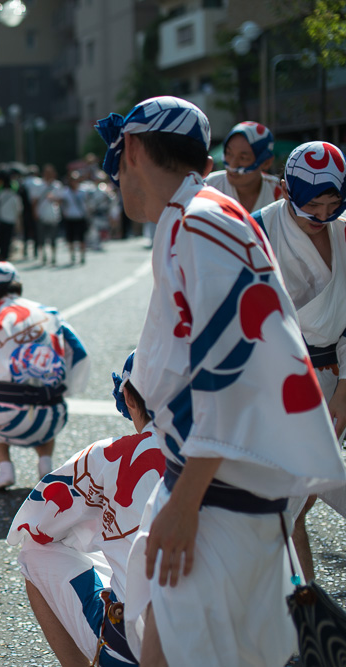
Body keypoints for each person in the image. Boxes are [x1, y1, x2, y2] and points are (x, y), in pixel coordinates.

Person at [94, 95, 346, 667]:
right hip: (216, 480)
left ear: (131, 149)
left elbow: (227, 368)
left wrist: (185, 502)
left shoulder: (196, 224)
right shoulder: (202, 214)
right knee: (161, 645)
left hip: (216, 495)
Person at [8, 352, 164, 667]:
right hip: (251, 639)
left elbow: (36, 526)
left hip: (144, 648)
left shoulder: (108, 456)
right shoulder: (238, 455)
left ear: (128, 397)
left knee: (34, 555)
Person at [252, 141, 346, 582]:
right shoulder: (255, 232)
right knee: (288, 501)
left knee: (294, 499)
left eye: (333, 204)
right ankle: (300, 607)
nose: (323, 216)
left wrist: (343, 393)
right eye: (313, 206)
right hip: (279, 381)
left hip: (339, 375)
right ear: (287, 191)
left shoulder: (344, 233)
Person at [0, 261, 90, 489]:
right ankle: (45, 464)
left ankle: (5, 470)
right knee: (43, 398)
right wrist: (66, 388)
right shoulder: (50, 313)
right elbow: (78, 352)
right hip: (54, 414)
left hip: (5, 417)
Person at [204, 121, 282, 214]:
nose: (233, 165)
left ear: (266, 162)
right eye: (229, 153)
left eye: (243, 158)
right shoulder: (207, 186)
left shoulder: (280, 195)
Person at [0, 172, 22, 262]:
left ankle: (1, 255)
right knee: (7, 240)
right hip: (11, 221)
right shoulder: (15, 196)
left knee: (0, 238)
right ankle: (5, 256)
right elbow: (18, 210)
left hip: (0, 220)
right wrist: (18, 223)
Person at [33, 164, 63, 265]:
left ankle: (53, 256)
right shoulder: (38, 185)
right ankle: (43, 256)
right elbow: (34, 201)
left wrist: (53, 198)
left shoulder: (57, 185)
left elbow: (61, 200)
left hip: (54, 215)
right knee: (41, 237)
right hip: (41, 214)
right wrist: (35, 213)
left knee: (53, 238)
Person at [59, 171, 90, 265]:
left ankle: (82, 256)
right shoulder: (66, 192)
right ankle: (72, 256)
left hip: (80, 217)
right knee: (70, 239)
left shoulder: (83, 190)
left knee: (82, 238)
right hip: (70, 218)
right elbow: (62, 203)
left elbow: (88, 202)